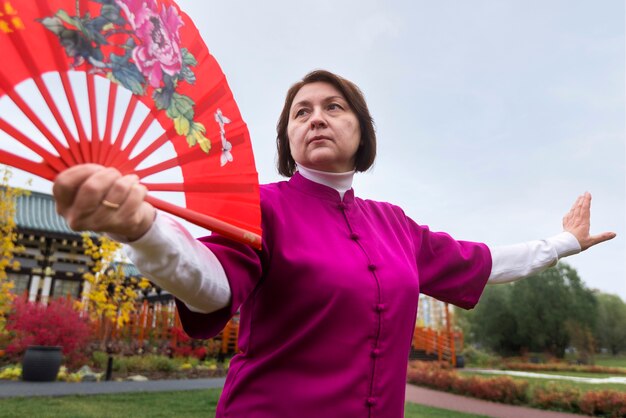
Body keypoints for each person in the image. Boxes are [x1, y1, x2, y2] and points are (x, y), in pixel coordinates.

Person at [53, 70, 615, 417]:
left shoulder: (396, 224)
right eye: (301, 112)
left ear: (361, 132)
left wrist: (562, 243)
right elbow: (210, 283)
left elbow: (484, 263)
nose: (316, 118)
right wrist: (144, 231)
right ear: (289, 139)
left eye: (333, 107)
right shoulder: (262, 206)